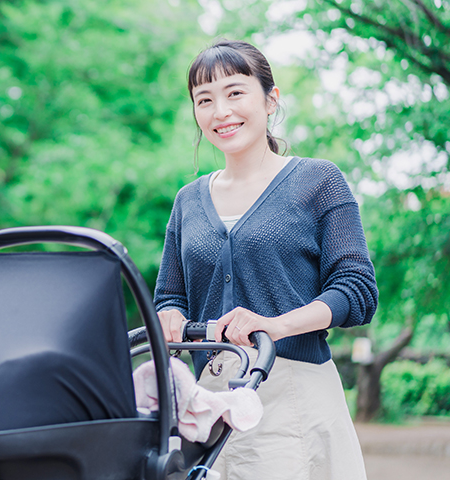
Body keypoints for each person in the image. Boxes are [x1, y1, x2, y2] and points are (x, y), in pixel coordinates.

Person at [153, 39, 378, 480]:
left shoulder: (318, 181)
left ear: (271, 99)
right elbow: (169, 296)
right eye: (205, 99)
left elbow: (357, 290)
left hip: (294, 394)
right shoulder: (188, 201)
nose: (220, 111)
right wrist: (171, 318)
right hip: (211, 402)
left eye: (235, 92)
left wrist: (274, 326)